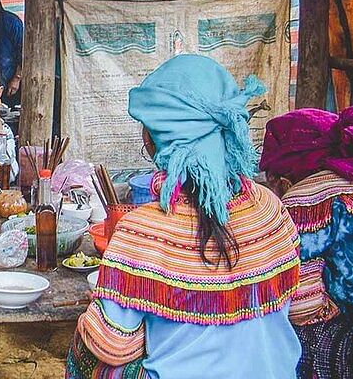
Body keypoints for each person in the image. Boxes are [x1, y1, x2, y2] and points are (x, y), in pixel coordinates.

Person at [66, 54, 302, 378]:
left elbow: (111, 344)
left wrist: (98, 308)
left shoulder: (142, 229)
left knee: (89, 353)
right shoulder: (270, 207)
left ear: (154, 140)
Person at [260, 107, 353, 378]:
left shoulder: (304, 201)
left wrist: (331, 305)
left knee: (285, 332)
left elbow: (302, 307)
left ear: (283, 180)